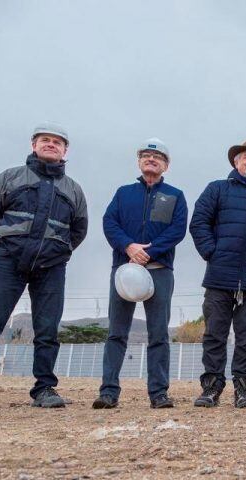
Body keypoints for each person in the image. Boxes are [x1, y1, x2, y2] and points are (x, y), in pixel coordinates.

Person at [0, 122, 88, 411]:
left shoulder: (73, 190)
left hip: (51, 267)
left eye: (57, 142)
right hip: (7, 262)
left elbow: (78, 231)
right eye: (44, 140)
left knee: (48, 330)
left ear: (65, 150)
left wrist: (58, 251)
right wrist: (6, 244)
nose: (51, 144)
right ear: (33, 145)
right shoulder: (10, 178)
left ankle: (45, 389)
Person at [93, 138, 187, 409]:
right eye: (146, 155)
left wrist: (150, 252)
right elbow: (109, 222)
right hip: (124, 270)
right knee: (116, 333)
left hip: (159, 271)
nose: (151, 159)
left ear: (165, 165)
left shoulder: (175, 195)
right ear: (138, 161)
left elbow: (178, 230)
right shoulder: (123, 193)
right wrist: (128, 246)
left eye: (157, 157)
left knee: (158, 334)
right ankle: (108, 392)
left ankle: (158, 393)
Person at [189, 139, 246, 408]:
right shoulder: (217, 189)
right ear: (235, 162)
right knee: (214, 335)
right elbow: (199, 222)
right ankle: (211, 388)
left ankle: (243, 389)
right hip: (219, 278)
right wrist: (212, 253)